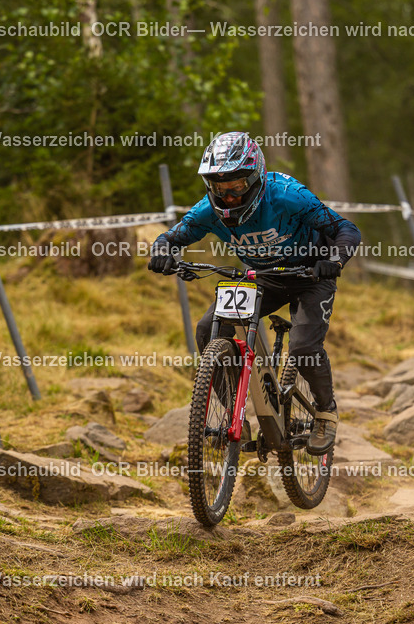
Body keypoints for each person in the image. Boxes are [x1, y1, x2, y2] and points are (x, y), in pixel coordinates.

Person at [148, 132, 361, 455]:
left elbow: (346, 229)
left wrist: (334, 260)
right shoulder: (208, 210)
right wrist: (162, 252)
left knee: (303, 346)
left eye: (237, 187)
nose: (230, 197)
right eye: (220, 188)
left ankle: (325, 412)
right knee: (208, 329)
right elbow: (170, 238)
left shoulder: (289, 196)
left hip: (310, 275)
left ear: (256, 178)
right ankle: (235, 415)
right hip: (262, 278)